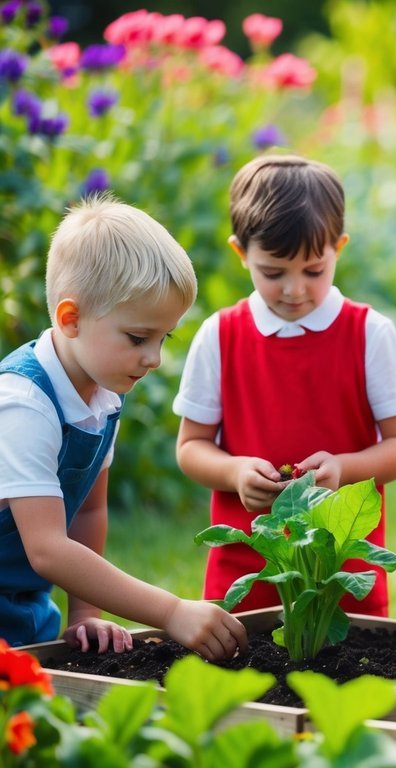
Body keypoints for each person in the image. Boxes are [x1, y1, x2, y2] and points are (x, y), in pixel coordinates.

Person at [0, 197, 247, 660]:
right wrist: (171, 611)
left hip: (25, 612)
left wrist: (82, 614)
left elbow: (88, 514)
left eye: (163, 338)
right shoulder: (24, 405)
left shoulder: (101, 397)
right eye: (138, 338)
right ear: (70, 319)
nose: (154, 358)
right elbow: (48, 550)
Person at [175, 155, 396, 616]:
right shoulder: (220, 335)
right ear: (240, 252)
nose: (294, 290)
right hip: (246, 571)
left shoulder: (370, 333)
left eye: (313, 271)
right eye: (273, 273)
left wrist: (343, 471)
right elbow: (191, 447)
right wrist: (234, 473)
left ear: (339, 248)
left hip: (342, 571)